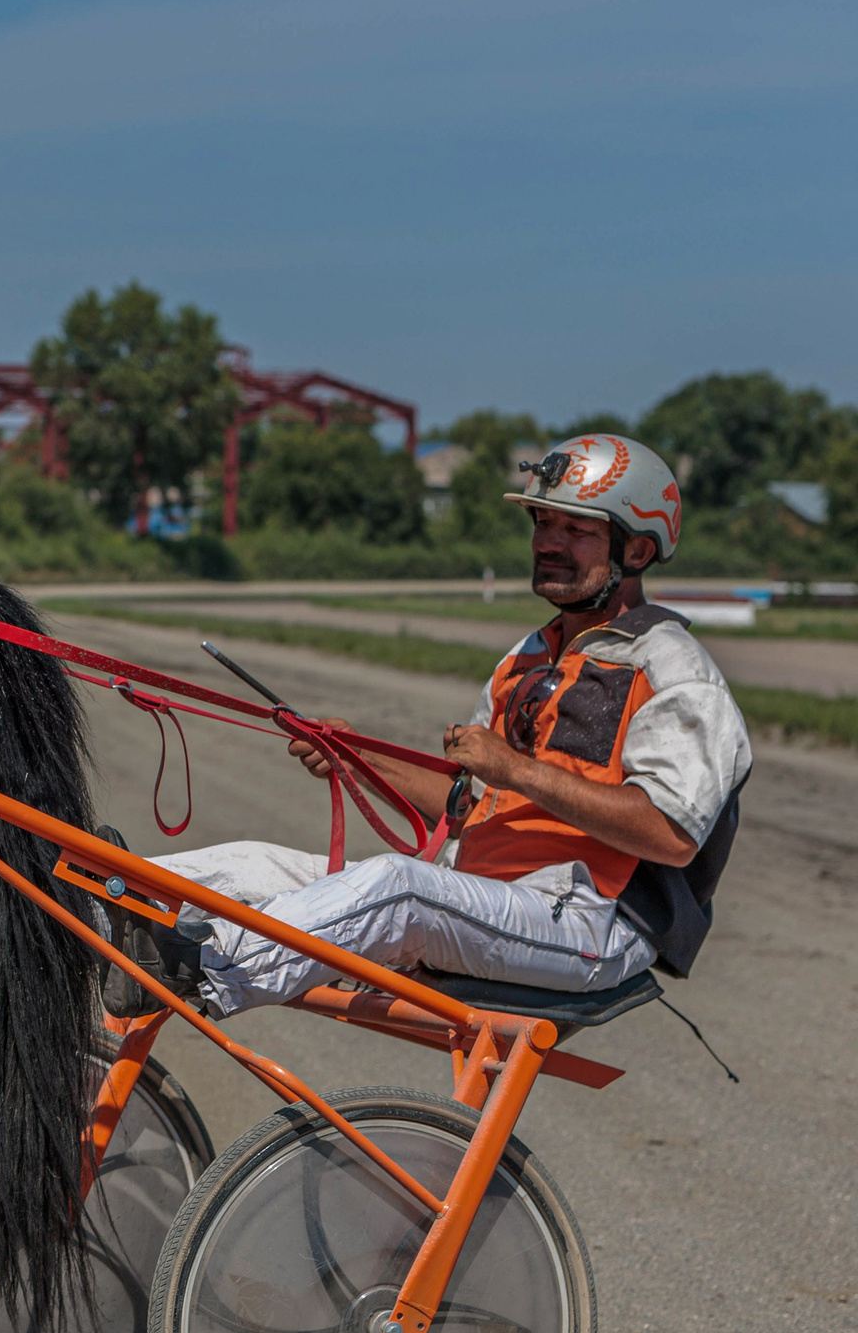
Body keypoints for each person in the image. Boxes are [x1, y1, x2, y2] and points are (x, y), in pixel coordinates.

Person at [107, 434, 754, 1016]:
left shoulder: (674, 668)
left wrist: (516, 770)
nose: (547, 543)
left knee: (399, 888)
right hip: (485, 896)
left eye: (576, 529)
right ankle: (96, 901)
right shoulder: (529, 658)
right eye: (542, 522)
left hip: (593, 925)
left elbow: (671, 834)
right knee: (252, 865)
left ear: (637, 548)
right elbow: (468, 806)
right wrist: (355, 759)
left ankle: (203, 969)